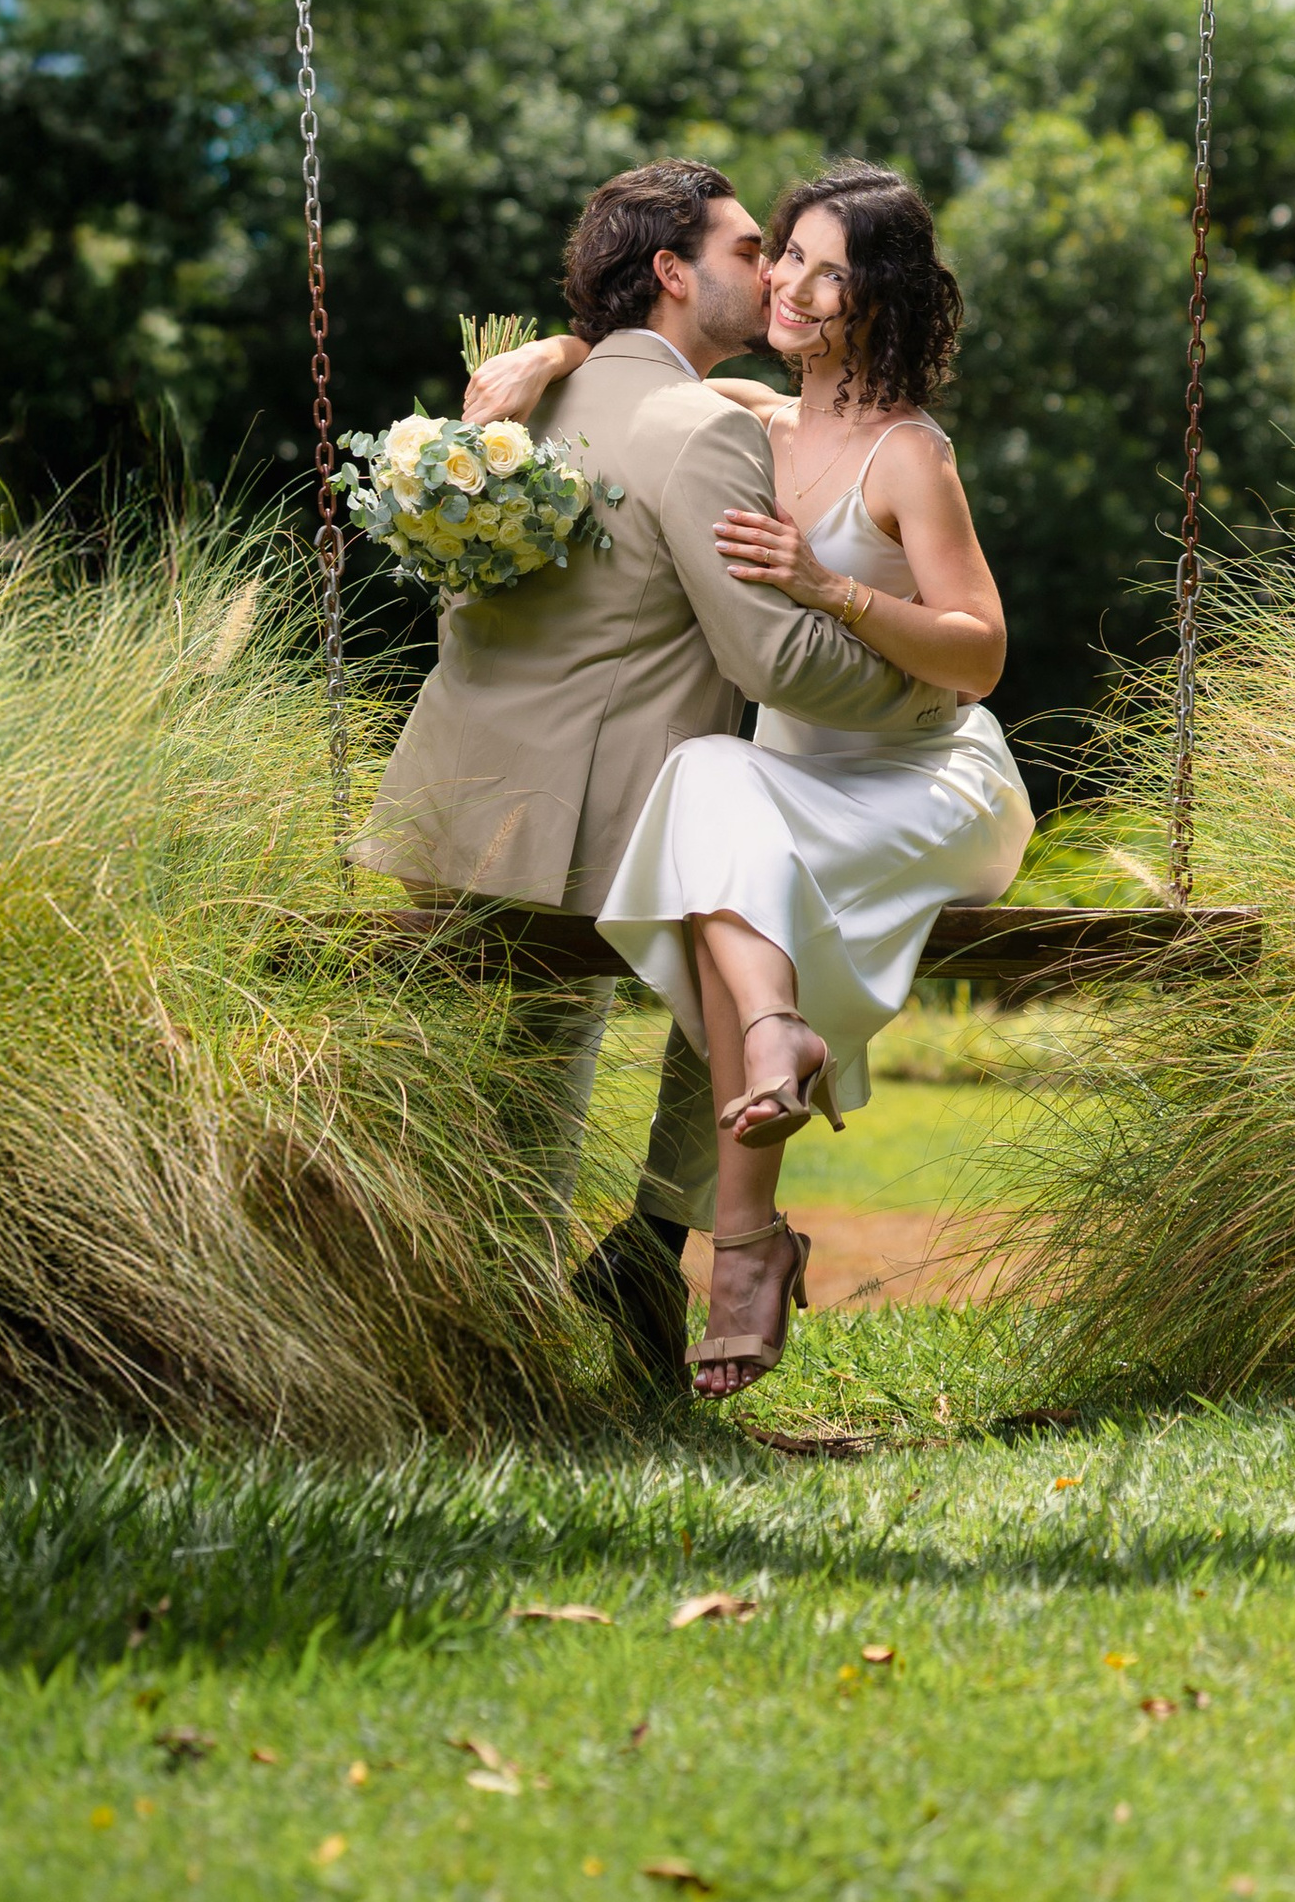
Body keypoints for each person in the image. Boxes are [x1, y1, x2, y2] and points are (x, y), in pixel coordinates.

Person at [355, 160, 952, 1396]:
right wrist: (927, 694)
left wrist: (560, 347)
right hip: (596, 820)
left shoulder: (513, 416)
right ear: (674, 273)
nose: (775, 270)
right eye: (750, 250)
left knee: (467, 1089)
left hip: (451, 798)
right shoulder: (702, 430)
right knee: (755, 949)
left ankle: (480, 1318)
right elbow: (770, 656)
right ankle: (623, 1273)